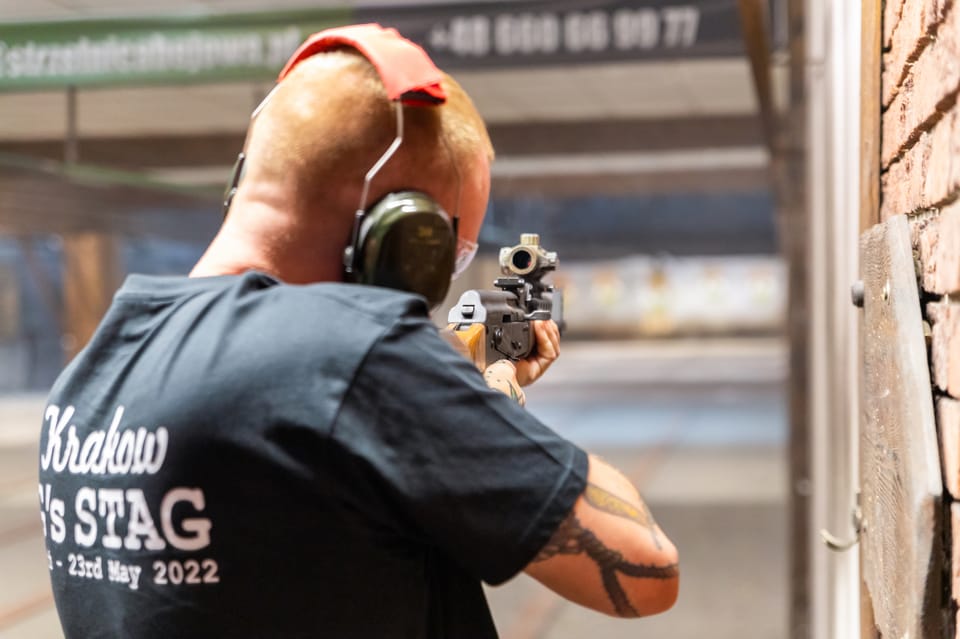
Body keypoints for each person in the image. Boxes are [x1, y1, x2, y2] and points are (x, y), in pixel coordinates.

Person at [38, 25, 678, 639]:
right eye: (451, 253)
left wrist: (450, 380)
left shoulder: (92, 378)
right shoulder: (354, 352)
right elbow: (644, 569)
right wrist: (489, 386)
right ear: (398, 232)